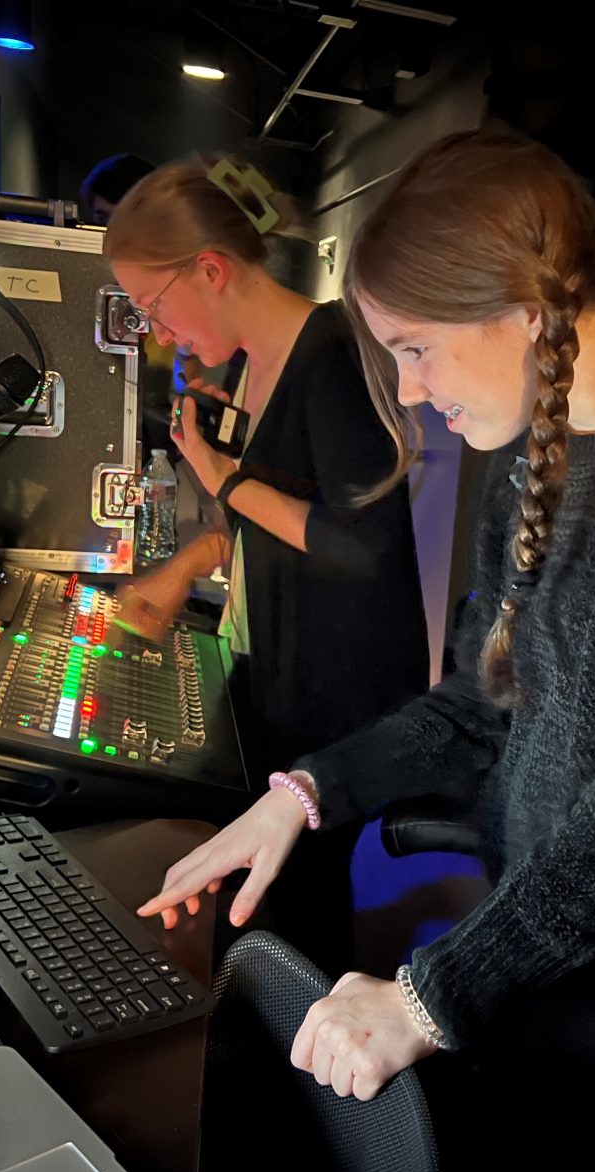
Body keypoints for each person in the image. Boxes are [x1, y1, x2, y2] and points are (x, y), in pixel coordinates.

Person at [138, 130, 595, 1172]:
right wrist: (299, 796)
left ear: (523, 309)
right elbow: (479, 704)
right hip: (559, 901)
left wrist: (427, 1000)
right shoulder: (537, 445)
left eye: (415, 349)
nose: (412, 393)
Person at [105, 154, 429, 975]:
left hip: (336, 694)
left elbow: (364, 545)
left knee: (303, 906)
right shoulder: (259, 363)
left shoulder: (331, 355)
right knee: (270, 900)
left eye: (153, 304)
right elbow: (278, 524)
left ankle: (313, 1077)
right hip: (285, 668)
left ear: (210, 270)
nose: (158, 330)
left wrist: (226, 479)